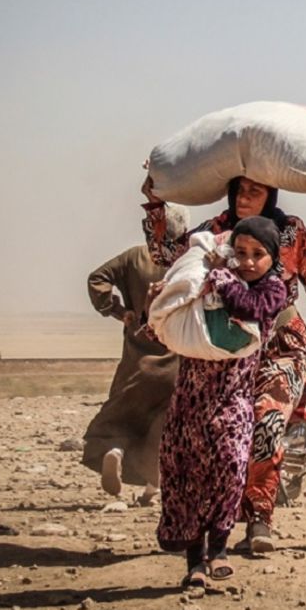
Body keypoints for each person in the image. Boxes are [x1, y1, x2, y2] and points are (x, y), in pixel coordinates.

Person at [141, 175, 306, 552]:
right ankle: (201, 528)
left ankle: (260, 518)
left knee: (267, 419)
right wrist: (155, 205)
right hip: (221, 353)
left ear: (270, 193)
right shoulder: (214, 233)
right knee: (201, 437)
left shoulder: (292, 234)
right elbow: (166, 257)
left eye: (254, 191)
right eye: (239, 191)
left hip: (282, 346)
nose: (245, 199)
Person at [156, 216, 287, 587]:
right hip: (189, 403)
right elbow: (171, 317)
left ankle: (221, 550)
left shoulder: (273, 290)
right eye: (240, 252)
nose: (247, 261)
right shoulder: (205, 280)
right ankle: (194, 562)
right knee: (188, 478)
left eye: (257, 254)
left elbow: (249, 309)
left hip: (233, 403)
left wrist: (220, 278)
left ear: (272, 259)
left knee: (229, 475)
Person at [82, 204, 187, 504]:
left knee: (122, 415)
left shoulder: (133, 257)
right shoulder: (187, 262)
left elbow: (96, 279)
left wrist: (116, 310)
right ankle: (153, 486)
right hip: (177, 360)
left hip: (136, 360)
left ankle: (114, 450)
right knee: (164, 422)